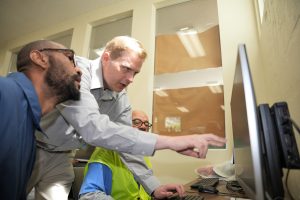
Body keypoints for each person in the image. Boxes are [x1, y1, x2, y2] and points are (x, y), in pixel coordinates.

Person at [27, 36, 226, 200]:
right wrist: (170, 142)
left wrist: (153, 187)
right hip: (29, 148)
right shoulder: (74, 69)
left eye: (136, 73)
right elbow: (92, 127)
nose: (131, 79)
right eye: (126, 68)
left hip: (62, 157)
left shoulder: (121, 99)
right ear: (106, 57)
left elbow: (126, 146)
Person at [0, 40, 82, 200]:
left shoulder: (28, 131)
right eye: (70, 58)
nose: (79, 70)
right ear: (39, 58)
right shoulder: (4, 93)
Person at [78, 110, 185, 200]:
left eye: (147, 124)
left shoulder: (142, 153)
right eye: (136, 122)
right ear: (122, 126)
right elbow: (88, 196)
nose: (143, 127)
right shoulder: (104, 154)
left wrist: (158, 191)